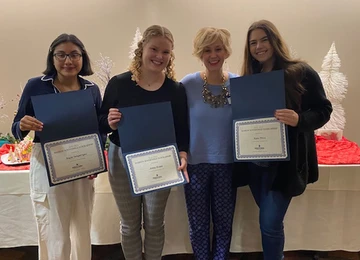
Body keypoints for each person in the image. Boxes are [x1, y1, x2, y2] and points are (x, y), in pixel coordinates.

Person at [234, 20, 333, 260]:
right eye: (253, 42)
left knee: (269, 222)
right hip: (256, 164)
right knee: (269, 222)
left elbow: (324, 110)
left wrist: (299, 119)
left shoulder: (301, 72)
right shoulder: (249, 78)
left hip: (285, 167)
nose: (258, 46)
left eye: (263, 39)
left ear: (274, 40)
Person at [99, 25, 189, 260]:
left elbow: (182, 129)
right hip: (122, 158)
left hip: (161, 160)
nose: (159, 56)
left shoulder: (175, 90)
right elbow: (101, 120)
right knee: (129, 224)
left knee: (154, 222)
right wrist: (110, 122)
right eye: (154, 49)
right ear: (142, 49)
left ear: (171, 56)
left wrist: (183, 154)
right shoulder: (119, 83)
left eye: (166, 52)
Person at [11, 34, 102, 260]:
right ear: (52, 58)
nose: (68, 61)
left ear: (83, 58)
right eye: (61, 55)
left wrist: (96, 160)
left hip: (82, 159)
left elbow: (99, 128)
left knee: (82, 224)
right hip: (48, 159)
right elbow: (17, 127)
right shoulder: (36, 86)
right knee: (54, 227)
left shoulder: (91, 88)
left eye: (74, 55)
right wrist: (22, 124)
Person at [180, 27, 238, 260]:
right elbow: (177, 122)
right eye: (207, 50)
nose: (213, 55)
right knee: (198, 224)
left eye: (218, 49)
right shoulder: (186, 84)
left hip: (227, 164)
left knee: (224, 223)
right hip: (195, 165)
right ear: (199, 53)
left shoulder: (239, 83)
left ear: (226, 52)